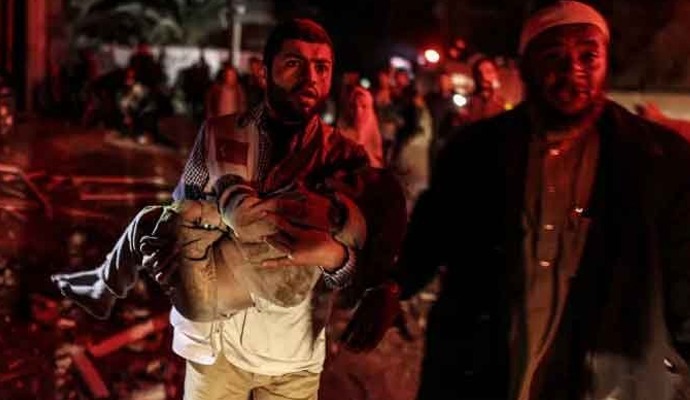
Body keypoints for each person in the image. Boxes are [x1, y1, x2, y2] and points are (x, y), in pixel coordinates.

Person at [343, 2, 690, 399]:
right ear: (526, 66)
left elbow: (684, 272)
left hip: (610, 380)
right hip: (485, 369)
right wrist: (394, 285)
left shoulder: (656, 159)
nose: (573, 70)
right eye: (554, 57)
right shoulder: (475, 152)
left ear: (606, 59)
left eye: (588, 56)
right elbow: (432, 233)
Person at [55, 18, 406, 400]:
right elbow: (182, 207)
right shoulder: (219, 133)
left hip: (292, 359)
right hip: (216, 351)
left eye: (321, 67)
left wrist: (339, 260)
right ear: (263, 72)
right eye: (294, 63)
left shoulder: (346, 158)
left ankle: (102, 284)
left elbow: (355, 262)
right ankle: (103, 284)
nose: (311, 78)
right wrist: (186, 243)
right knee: (154, 222)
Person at [337, 86, 384, 167]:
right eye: (353, 106)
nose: (358, 112)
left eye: (364, 106)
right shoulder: (341, 135)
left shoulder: (374, 135)